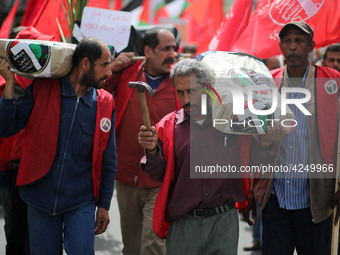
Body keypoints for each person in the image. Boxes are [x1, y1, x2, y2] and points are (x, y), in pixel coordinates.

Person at [138, 58, 283, 254]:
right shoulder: (166, 126)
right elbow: (158, 174)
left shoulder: (233, 121)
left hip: (223, 222)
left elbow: (252, 162)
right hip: (183, 223)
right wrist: (152, 150)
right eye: (180, 92)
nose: (186, 99)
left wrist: (266, 144)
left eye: (192, 91)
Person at [0, 37, 117, 255]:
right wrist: (9, 82)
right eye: (104, 64)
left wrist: (104, 204)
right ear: (85, 64)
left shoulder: (105, 102)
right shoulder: (42, 88)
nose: (109, 72)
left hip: (81, 201)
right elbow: (6, 127)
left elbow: (108, 159)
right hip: (39, 198)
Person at [254, 21, 340, 255]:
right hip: (275, 199)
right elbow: (253, 141)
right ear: (280, 46)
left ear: (311, 46)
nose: (293, 46)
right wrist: (268, 140)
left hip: (317, 201)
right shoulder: (265, 83)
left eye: (299, 41)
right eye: (288, 41)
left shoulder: (332, 82)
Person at [103, 26, 180, 255]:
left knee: (153, 245)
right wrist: (113, 69)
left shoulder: (180, 81)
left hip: (161, 179)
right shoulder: (127, 72)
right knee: (132, 248)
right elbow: (98, 97)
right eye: (166, 49)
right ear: (147, 50)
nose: (173, 54)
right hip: (126, 176)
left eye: (174, 48)